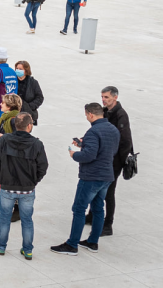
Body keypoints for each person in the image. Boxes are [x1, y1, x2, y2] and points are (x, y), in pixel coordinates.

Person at [51, 102, 121, 255]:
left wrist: (74, 154)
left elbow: (89, 155)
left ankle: (72, 245)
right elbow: (109, 150)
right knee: (98, 209)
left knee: (79, 209)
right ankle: (92, 242)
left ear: (90, 114)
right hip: (107, 176)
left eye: (86, 115)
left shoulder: (93, 131)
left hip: (91, 177)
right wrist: (84, 144)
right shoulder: (113, 129)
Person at [0, 112, 48, 260]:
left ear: (15, 125)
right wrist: (34, 181)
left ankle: (1, 246)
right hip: (27, 189)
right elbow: (43, 166)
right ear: (29, 126)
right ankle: (27, 250)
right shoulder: (37, 144)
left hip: (7, 187)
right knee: (27, 220)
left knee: (4, 218)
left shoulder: (5, 140)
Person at [87, 86, 132, 236]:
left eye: (106, 97)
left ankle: (108, 224)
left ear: (115, 97)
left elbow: (125, 141)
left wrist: (117, 161)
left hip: (114, 161)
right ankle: (92, 216)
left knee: (108, 192)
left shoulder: (121, 115)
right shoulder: (105, 112)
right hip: (104, 158)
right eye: (102, 97)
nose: (103, 100)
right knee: (96, 187)